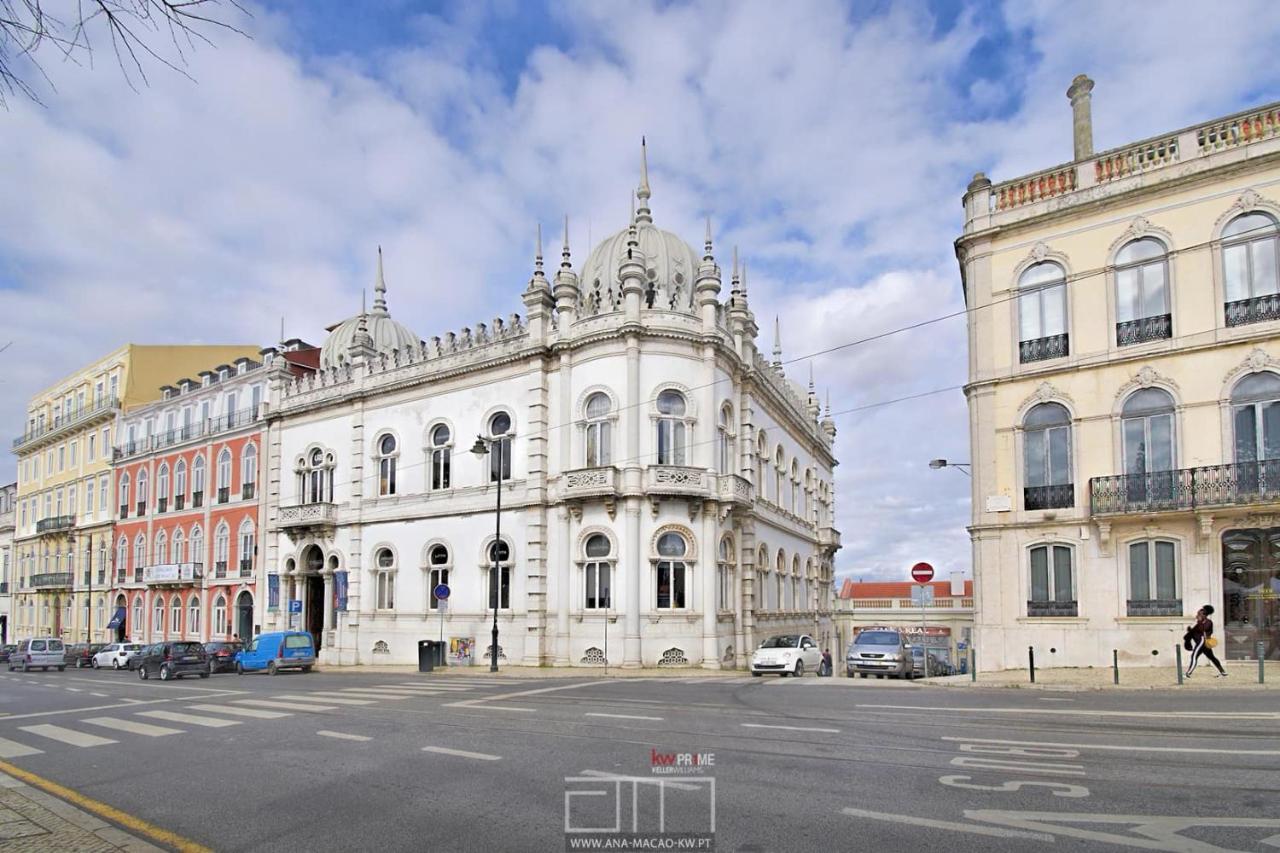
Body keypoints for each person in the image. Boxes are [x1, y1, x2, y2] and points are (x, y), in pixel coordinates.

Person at [1185, 604, 1227, 679]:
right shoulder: (1199, 623)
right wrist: (1189, 631)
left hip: (1202, 642)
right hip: (1203, 643)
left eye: (1199, 614)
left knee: (1194, 656)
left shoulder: (1208, 622)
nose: (1197, 615)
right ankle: (1223, 672)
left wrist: (1199, 622)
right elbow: (1194, 632)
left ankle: (1188, 673)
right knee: (1212, 657)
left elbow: (1203, 629)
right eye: (1197, 614)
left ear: (1204, 615)